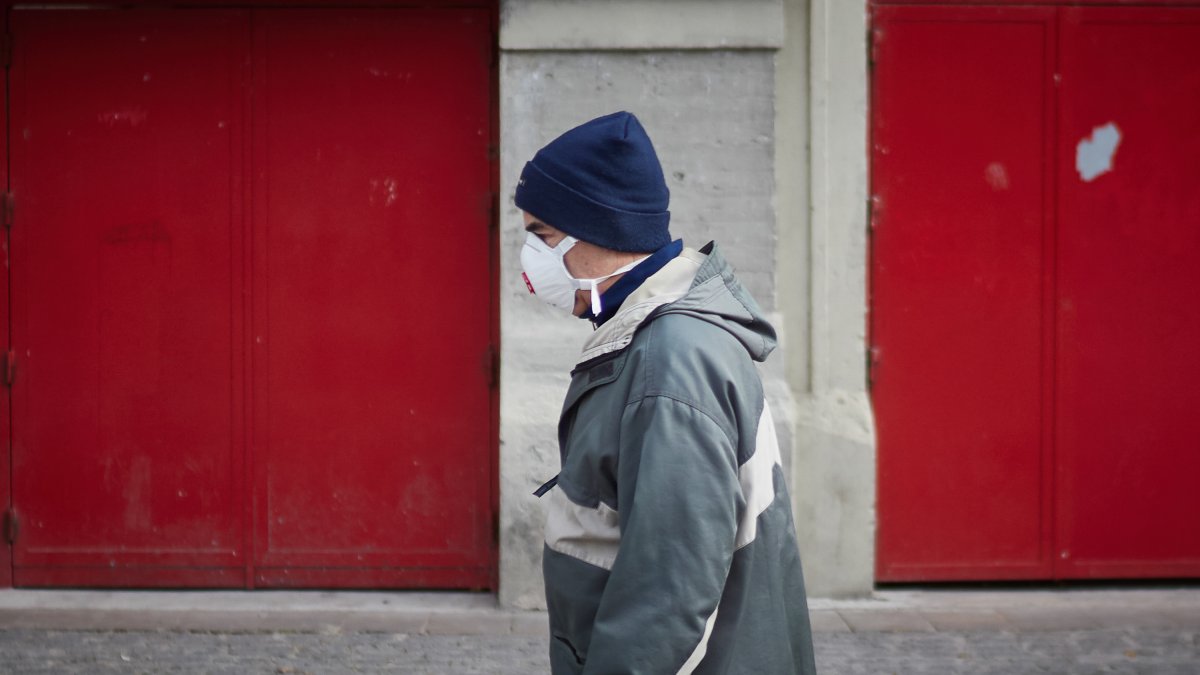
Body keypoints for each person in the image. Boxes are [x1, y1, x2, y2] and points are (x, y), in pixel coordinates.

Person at [517, 111, 816, 675]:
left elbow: (669, 595)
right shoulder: (655, 339)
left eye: (543, 236)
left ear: (600, 230)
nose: (531, 261)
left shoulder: (669, 361)